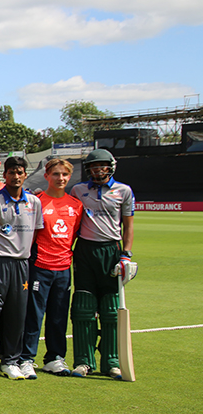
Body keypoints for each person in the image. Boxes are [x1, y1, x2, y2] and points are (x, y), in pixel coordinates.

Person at [69, 149, 136, 379]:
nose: (98, 170)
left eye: (102, 166)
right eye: (93, 166)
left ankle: (112, 361)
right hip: (85, 250)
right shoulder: (79, 190)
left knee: (111, 310)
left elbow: (128, 225)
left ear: (111, 166)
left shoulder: (124, 191)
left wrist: (126, 255)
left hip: (111, 250)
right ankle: (83, 362)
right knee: (83, 308)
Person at [0, 157, 44, 381]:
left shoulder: (34, 202)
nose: (16, 176)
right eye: (11, 172)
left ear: (25, 174)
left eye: (20, 172)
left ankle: (10, 361)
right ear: (4, 175)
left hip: (22, 264)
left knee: (17, 314)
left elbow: (36, 233)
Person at [21, 158, 83, 378]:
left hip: (64, 269)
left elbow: (73, 235)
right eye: (56, 174)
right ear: (46, 176)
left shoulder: (76, 205)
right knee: (34, 315)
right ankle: (27, 358)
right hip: (40, 266)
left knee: (58, 316)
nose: (61, 178)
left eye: (65, 174)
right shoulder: (36, 201)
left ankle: (55, 358)